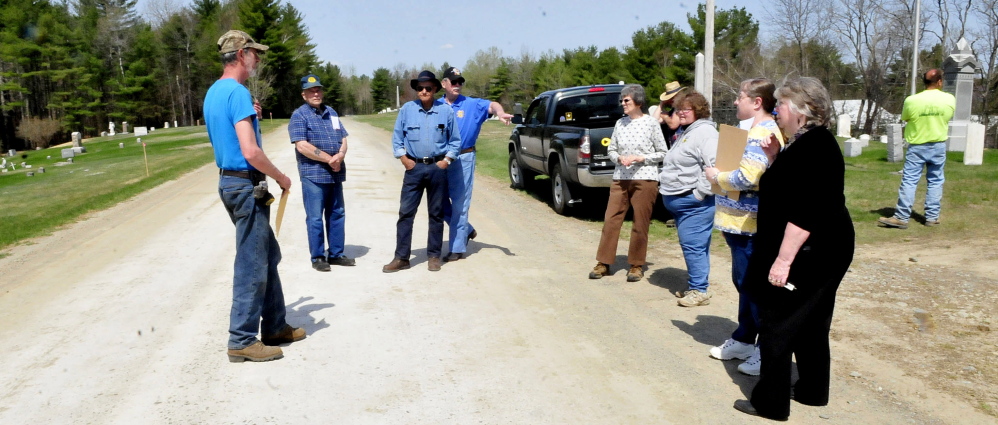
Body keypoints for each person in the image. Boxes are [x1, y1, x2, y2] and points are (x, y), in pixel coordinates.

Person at [733, 77, 855, 421]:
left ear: (803, 111)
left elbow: (806, 213)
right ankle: (813, 390)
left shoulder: (815, 148)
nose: (776, 111)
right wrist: (775, 158)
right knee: (813, 321)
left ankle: (770, 402)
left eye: (781, 105)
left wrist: (783, 261)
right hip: (824, 248)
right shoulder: (805, 144)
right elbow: (791, 190)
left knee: (778, 322)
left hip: (811, 251)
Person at [204, 30, 305, 363]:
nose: (258, 59)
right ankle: (241, 339)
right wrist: (281, 177)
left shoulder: (217, 92)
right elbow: (250, 151)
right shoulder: (237, 93)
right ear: (241, 53)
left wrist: (250, 114)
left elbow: (231, 134)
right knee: (252, 263)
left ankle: (275, 325)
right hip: (246, 185)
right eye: (255, 53)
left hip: (230, 184)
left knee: (267, 256)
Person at [703, 78, 784, 375]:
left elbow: (749, 177)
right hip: (736, 221)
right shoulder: (749, 131)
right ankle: (745, 338)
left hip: (750, 224)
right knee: (744, 284)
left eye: (740, 96)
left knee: (754, 287)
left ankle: (766, 349)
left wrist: (716, 176)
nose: (736, 102)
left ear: (757, 102)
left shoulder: (764, 132)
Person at [383, 70, 461, 273]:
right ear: (416, 90)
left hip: (437, 168)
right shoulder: (407, 110)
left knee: (436, 214)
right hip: (414, 168)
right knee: (405, 213)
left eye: (428, 88)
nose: (424, 91)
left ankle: (434, 256)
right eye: (420, 88)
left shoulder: (445, 111)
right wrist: (404, 159)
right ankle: (401, 258)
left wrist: (446, 161)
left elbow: (455, 141)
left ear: (435, 89)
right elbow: (397, 138)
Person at [589, 84, 668, 282]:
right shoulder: (620, 123)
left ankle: (636, 265)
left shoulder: (651, 123)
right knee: (611, 219)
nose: (622, 103)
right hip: (620, 178)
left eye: (626, 100)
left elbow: (662, 153)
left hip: (645, 178)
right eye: (622, 100)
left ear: (638, 102)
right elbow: (612, 150)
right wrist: (619, 158)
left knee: (640, 222)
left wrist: (640, 158)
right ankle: (603, 262)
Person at [438, 67, 513, 262]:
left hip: (463, 158)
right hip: (440, 160)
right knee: (438, 203)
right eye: (453, 82)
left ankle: (457, 248)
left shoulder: (472, 104)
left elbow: (493, 105)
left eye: (460, 82)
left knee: (460, 204)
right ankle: (466, 229)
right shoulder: (436, 105)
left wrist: (501, 112)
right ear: (443, 83)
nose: (457, 85)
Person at [288, 74, 356, 272]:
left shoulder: (331, 112)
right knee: (315, 217)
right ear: (304, 94)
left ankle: (336, 254)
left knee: (337, 213)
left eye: (318, 90)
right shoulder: (299, 115)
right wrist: (329, 159)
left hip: (335, 173)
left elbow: (343, 137)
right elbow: (302, 145)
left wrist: (341, 154)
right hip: (314, 174)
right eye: (311, 91)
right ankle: (318, 257)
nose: (315, 93)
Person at [657, 90, 718, 307]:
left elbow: (713, 166)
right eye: (679, 108)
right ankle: (698, 286)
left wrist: (699, 193)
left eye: (687, 109)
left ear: (699, 110)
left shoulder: (705, 133)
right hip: (683, 202)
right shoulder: (689, 131)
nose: (681, 113)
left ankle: (699, 290)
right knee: (696, 246)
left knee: (694, 246)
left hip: (695, 204)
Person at [878, 69, 955, 229]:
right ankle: (932, 217)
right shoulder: (949, 99)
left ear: (924, 82)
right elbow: (948, 116)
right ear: (940, 81)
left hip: (918, 145)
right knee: (935, 180)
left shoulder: (912, 100)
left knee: (910, 180)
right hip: (938, 144)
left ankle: (901, 216)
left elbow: (906, 117)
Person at [652, 81, 685, 149]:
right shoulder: (673, 110)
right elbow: (654, 120)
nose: (670, 100)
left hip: (680, 146)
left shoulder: (681, 107)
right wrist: (662, 103)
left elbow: (673, 125)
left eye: (672, 97)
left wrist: (665, 116)